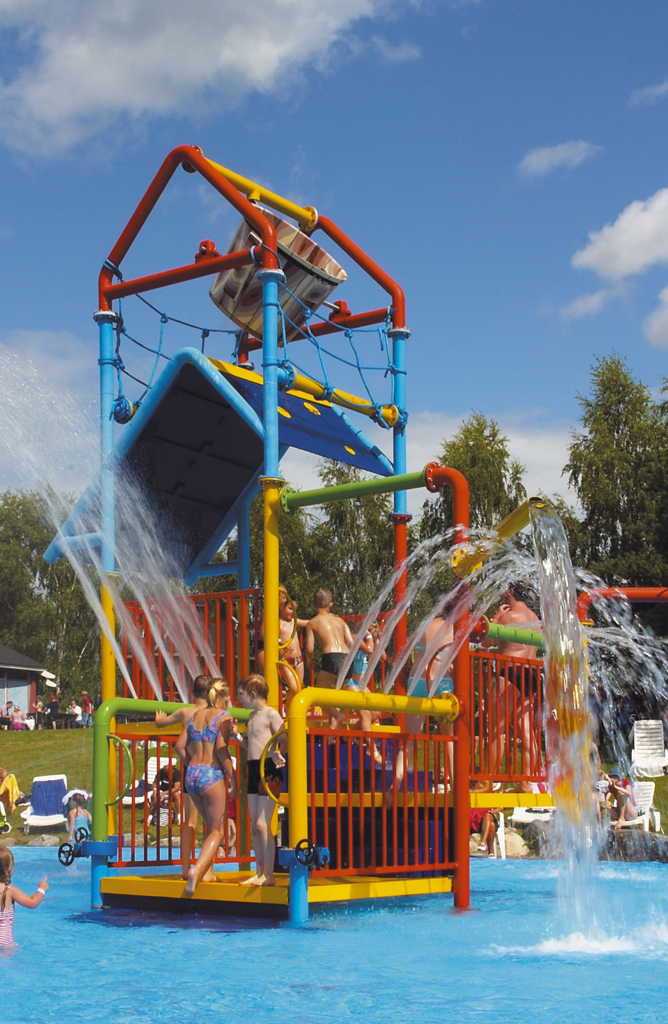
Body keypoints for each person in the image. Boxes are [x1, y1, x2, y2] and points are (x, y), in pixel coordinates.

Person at [176, 679, 236, 897]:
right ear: (222, 697)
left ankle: (208, 872)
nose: (230, 701)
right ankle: (197, 870)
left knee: (210, 826)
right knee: (218, 830)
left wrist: (192, 764)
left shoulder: (196, 715)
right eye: (228, 697)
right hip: (212, 775)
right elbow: (221, 749)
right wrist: (233, 776)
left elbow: (179, 746)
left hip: (192, 775)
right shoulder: (224, 717)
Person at [157, 674, 215, 881]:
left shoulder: (184, 712)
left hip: (190, 770)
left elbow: (161, 723)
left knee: (190, 821)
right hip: (210, 773)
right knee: (212, 822)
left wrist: (158, 718)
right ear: (210, 694)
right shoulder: (213, 713)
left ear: (192, 692)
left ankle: (184, 867)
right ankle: (208, 870)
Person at [486, 581, 541, 780]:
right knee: (525, 730)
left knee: (496, 728)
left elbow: (485, 639)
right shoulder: (535, 619)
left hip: (509, 671)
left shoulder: (508, 616)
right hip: (531, 675)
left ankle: (487, 780)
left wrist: (497, 616)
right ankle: (527, 782)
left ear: (511, 592)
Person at [395, 613, 455, 790]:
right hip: (442, 682)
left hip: (418, 681)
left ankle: (395, 784)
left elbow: (406, 649)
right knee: (450, 739)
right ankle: (456, 788)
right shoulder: (457, 629)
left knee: (410, 739)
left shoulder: (426, 624)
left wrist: (407, 668)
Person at [237, 673, 285, 887]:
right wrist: (238, 739)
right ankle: (259, 872)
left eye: (242, 695)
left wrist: (279, 753)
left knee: (262, 823)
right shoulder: (252, 717)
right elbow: (252, 745)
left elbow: (284, 738)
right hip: (253, 768)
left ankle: (270, 874)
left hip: (269, 769)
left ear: (253, 694)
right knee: (255, 826)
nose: (240, 700)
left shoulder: (271, 714)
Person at [305, 587, 356, 729]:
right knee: (335, 697)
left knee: (318, 697)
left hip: (331, 657)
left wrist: (310, 661)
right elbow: (351, 643)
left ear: (313, 604)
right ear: (331, 605)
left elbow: (309, 648)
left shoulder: (312, 623)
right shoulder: (340, 621)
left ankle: (338, 716)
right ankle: (332, 733)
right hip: (347, 659)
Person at [257, 588, 309, 702]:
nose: (292, 613)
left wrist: (324, 617)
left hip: (298, 658)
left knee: (299, 688)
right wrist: (280, 643)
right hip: (285, 658)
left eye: (294, 610)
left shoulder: (294, 621)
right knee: (293, 688)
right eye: (290, 609)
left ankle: (290, 708)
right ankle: (285, 703)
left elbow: (308, 623)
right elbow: (265, 634)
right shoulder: (276, 619)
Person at [0, 847, 48, 950]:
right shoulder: (9, 890)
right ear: (8, 869)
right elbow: (32, 902)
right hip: (6, 945)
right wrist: (41, 889)